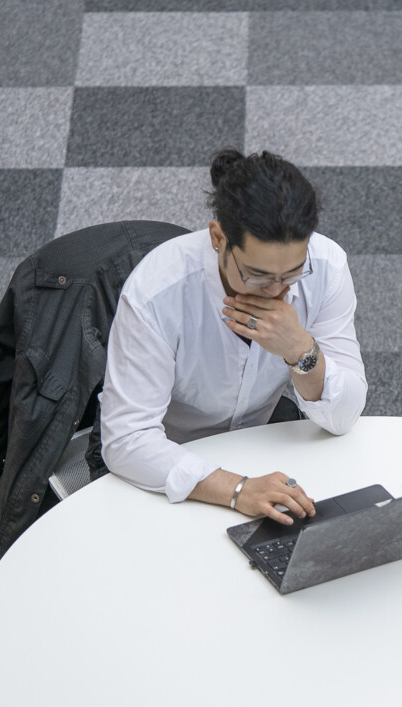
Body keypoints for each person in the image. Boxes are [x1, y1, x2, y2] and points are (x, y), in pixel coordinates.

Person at [100, 149, 366, 526]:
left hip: (262, 448)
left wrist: (300, 350)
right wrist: (238, 490)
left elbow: (346, 415)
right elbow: (127, 441)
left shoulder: (326, 268)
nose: (276, 292)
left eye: (291, 274)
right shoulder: (157, 293)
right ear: (218, 238)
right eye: (257, 275)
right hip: (170, 465)